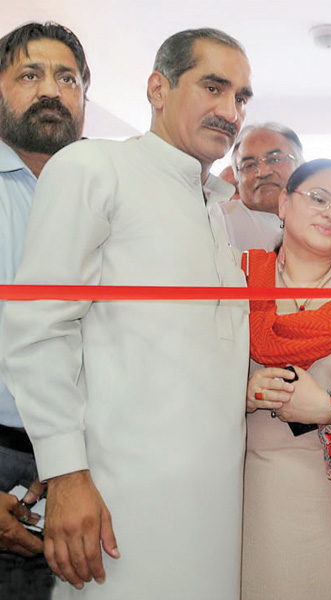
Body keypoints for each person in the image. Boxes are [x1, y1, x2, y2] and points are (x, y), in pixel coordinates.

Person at [0, 28, 252, 598]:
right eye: (213, 87)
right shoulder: (93, 168)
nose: (230, 111)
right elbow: (38, 329)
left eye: (241, 97)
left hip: (212, 508)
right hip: (116, 508)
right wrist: (66, 474)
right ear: (157, 89)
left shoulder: (215, 209)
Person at [240, 158, 331, 600]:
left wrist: (329, 407)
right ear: (283, 204)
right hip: (256, 495)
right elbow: (189, 376)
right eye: (318, 199)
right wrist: (241, 394)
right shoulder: (237, 278)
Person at [0, 21, 89, 599]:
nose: (51, 90)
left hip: (101, 461)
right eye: (29, 75)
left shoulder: (115, 189)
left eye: (67, 78)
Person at [211, 122, 303, 252]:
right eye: (249, 165)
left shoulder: (326, 216)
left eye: (275, 159)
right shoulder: (219, 219)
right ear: (238, 179)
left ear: (300, 165)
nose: (263, 172)